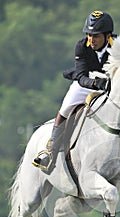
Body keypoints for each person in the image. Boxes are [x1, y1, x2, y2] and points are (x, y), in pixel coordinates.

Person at [32, 10, 114, 173]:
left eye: (96, 36)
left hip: (110, 83)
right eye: (89, 35)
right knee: (66, 106)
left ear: (107, 35)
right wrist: (96, 83)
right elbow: (82, 76)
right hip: (86, 83)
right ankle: (51, 151)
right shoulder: (81, 46)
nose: (91, 40)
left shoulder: (118, 45)